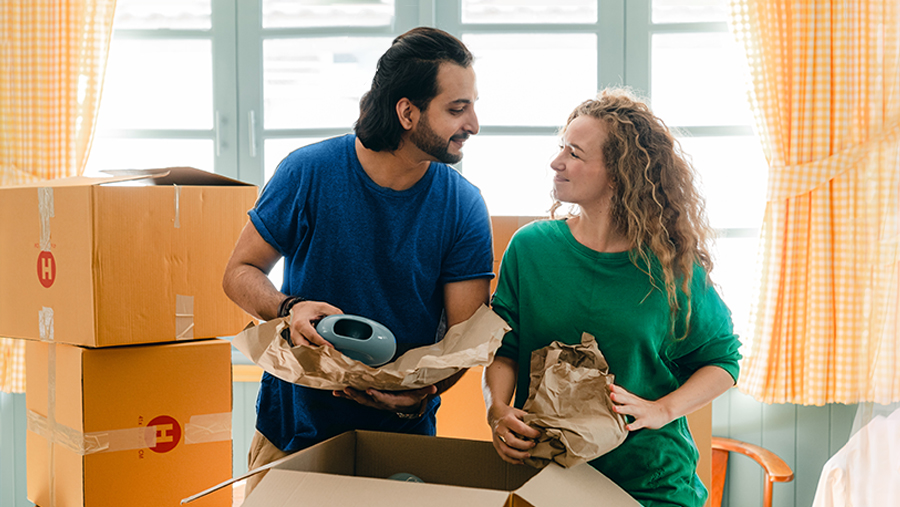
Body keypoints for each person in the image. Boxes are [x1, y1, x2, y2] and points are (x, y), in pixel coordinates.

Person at [223, 27, 493, 495]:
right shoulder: (308, 172)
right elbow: (238, 273)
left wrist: (420, 396)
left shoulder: (463, 206)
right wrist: (289, 308)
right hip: (292, 435)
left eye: (471, 105)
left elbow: (462, 341)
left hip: (401, 444)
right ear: (407, 111)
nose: (473, 123)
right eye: (457, 109)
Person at [482, 88, 741, 507]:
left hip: (649, 485)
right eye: (560, 147)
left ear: (619, 173)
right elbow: (502, 348)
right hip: (546, 479)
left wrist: (662, 410)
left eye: (575, 153)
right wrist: (497, 411)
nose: (557, 162)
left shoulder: (673, 267)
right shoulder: (530, 249)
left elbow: (723, 361)